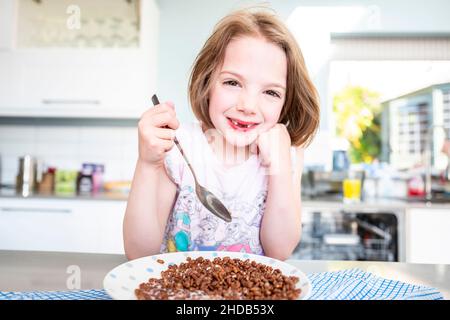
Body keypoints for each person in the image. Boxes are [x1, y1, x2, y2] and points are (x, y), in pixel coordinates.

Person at [123, 7, 320, 261]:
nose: (248, 106)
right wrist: (148, 164)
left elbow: (279, 251)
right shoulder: (180, 148)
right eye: (232, 83)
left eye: (271, 92)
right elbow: (139, 253)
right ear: (207, 83)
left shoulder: (288, 154)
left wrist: (280, 168)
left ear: (286, 102)